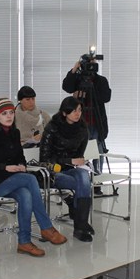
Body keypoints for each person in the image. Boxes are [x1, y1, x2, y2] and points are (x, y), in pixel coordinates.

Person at [0, 98, 67, 257]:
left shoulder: (14, 133)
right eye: (4, 113)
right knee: (29, 179)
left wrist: (21, 165)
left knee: (25, 194)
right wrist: (4, 167)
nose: (9, 116)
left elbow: (20, 157)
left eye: (11, 112)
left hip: (12, 181)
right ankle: (46, 227)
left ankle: (24, 241)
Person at [39, 96, 94, 242]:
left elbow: (79, 156)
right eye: (74, 111)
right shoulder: (52, 128)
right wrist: (69, 161)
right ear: (64, 112)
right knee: (82, 184)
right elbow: (44, 160)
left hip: (71, 169)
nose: (78, 113)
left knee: (84, 177)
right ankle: (80, 222)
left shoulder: (82, 129)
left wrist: (80, 162)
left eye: (79, 110)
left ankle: (80, 226)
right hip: (53, 172)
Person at [62, 54, 111, 177]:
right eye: (88, 63)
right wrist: (74, 70)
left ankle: (97, 179)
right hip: (80, 124)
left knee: (98, 152)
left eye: (93, 63)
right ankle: (83, 179)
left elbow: (106, 97)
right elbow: (66, 87)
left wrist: (87, 94)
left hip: (96, 123)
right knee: (81, 152)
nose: (91, 66)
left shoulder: (101, 80)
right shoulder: (77, 80)